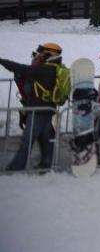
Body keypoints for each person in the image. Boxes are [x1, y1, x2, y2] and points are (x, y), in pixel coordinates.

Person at [1, 43, 67, 171]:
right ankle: (46, 164)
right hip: (46, 110)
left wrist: (2, 61)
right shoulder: (52, 69)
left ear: (49, 54)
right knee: (47, 139)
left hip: (38, 112)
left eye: (41, 53)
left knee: (27, 141)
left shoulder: (44, 70)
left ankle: (15, 168)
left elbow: (19, 68)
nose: (38, 56)